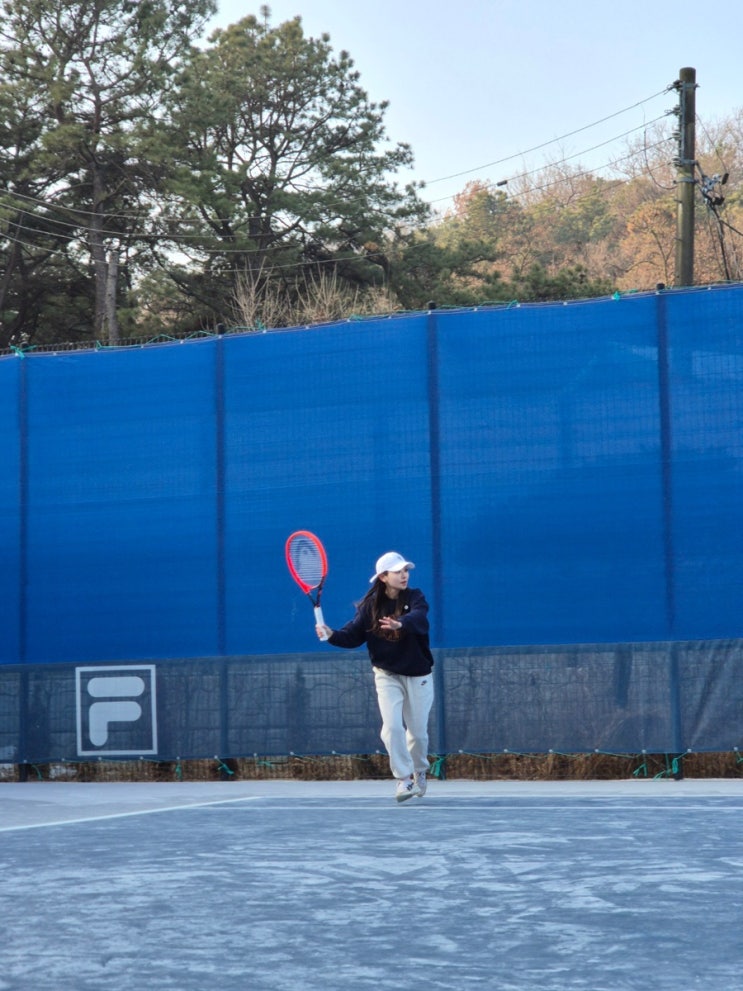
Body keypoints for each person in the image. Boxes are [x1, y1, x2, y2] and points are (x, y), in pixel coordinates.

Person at [316, 551, 435, 803]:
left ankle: (419, 770)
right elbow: (351, 636)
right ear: (383, 577)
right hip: (386, 675)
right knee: (391, 728)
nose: (404, 575)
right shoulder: (370, 607)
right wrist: (331, 634)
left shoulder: (415, 597)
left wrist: (400, 624)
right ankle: (404, 779)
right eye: (398, 571)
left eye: (406, 570)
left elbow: (419, 618)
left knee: (417, 734)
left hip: (418, 674)